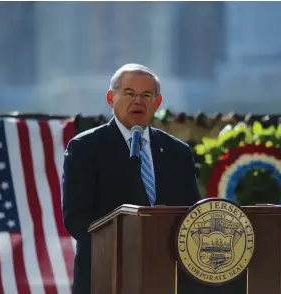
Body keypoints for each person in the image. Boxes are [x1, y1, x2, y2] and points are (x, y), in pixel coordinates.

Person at [62, 63, 202, 294]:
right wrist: (128, 247)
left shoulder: (177, 152)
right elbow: (76, 218)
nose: (138, 101)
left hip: (167, 276)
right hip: (106, 276)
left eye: (146, 95)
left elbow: (191, 213)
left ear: (157, 103)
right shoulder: (85, 148)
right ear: (110, 98)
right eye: (129, 93)